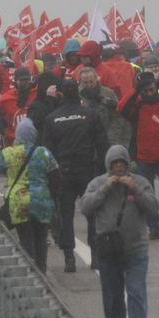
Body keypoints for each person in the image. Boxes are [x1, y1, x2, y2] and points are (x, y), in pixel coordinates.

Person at [81, 144, 159, 318]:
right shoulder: (98, 183)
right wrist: (106, 188)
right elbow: (85, 207)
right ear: (109, 165)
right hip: (108, 250)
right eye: (114, 164)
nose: (118, 167)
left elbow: (153, 208)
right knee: (113, 299)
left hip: (136, 249)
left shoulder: (140, 182)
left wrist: (134, 189)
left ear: (127, 164)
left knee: (136, 294)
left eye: (121, 163)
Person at [43, 80, 110, 272]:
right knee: (92, 213)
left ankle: (69, 258)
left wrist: (53, 174)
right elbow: (103, 144)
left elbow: (47, 150)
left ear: (61, 94)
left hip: (63, 172)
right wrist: (101, 170)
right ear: (78, 95)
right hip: (87, 170)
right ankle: (95, 256)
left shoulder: (52, 118)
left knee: (65, 215)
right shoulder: (90, 115)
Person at [117, 72, 159, 240]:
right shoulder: (137, 106)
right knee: (147, 194)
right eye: (145, 90)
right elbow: (121, 108)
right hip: (143, 156)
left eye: (152, 90)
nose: (149, 93)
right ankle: (153, 226)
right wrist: (135, 91)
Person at [0, 118, 61, 273]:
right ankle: (42, 273)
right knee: (41, 240)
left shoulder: (8, 153)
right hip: (42, 202)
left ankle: (30, 275)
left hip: (19, 203)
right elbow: (56, 177)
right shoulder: (44, 152)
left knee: (26, 242)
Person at [0, 66, 37, 147]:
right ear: (15, 82)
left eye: (27, 80)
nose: (25, 82)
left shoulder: (37, 95)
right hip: (12, 144)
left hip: (34, 143)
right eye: (22, 80)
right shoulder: (4, 99)